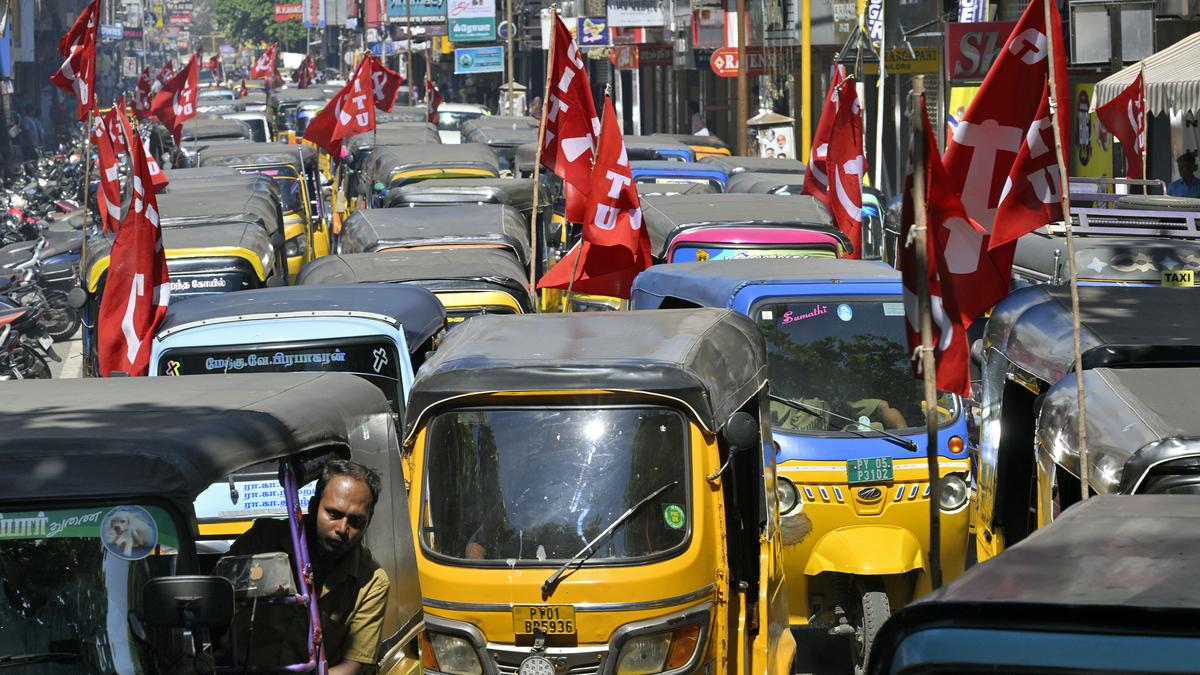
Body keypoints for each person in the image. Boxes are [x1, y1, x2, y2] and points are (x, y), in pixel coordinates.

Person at [226, 460, 389, 674]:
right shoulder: (262, 539)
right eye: (333, 514)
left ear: (369, 521)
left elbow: (353, 665)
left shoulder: (372, 581)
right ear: (312, 506)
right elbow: (214, 600)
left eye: (356, 521)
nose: (342, 528)